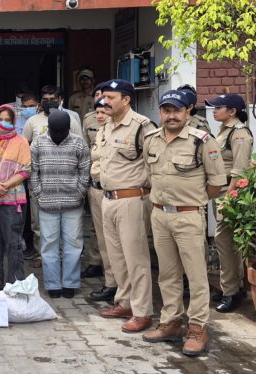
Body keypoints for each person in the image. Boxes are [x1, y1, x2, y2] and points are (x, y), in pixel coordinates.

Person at [142, 90, 227, 356]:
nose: (171, 116)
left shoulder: (202, 141)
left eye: (176, 110)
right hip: (159, 215)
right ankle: (170, 322)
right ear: (160, 113)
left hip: (189, 216)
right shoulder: (151, 140)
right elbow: (149, 174)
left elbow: (216, 183)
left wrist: (194, 201)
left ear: (187, 111)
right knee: (167, 274)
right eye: (166, 110)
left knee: (196, 275)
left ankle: (198, 328)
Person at [96, 79, 155, 334]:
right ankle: (125, 302)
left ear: (126, 99)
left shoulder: (142, 126)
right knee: (117, 257)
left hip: (131, 199)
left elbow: (154, 164)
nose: (105, 102)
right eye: (104, 97)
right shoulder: (107, 126)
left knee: (136, 258)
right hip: (108, 198)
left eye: (110, 97)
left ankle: (142, 312)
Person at [29, 110, 90, 298]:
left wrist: (79, 192)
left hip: (73, 204)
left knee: (74, 245)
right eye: (54, 131)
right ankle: (53, 284)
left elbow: (85, 171)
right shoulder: (38, 143)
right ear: (48, 127)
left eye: (61, 131)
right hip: (46, 204)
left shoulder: (79, 143)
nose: (57, 134)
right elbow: (33, 172)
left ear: (68, 129)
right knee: (49, 245)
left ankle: (70, 283)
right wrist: (39, 193)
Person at [22, 85, 83, 260]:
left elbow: (81, 149)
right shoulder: (32, 121)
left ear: (61, 100)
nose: (49, 102)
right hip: (40, 180)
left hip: (67, 180)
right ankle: (41, 256)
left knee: (67, 222)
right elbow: (25, 148)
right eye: (46, 99)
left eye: (53, 99)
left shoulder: (71, 119)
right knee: (38, 221)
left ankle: (65, 256)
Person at [205, 93, 253, 312]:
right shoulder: (224, 130)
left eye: (218, 107)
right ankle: (234, 287)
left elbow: (239, 170)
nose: (214, 111)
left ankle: (231, 292)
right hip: (220, 191)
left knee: (224, 241)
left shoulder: (239, 133)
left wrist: (229, 198)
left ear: (232, 111)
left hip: (229, 193)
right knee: (229, 242)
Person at [0, 105, 31, 295]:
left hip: (13, 200)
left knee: (14, 243)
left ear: (14, 122)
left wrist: (4, 186)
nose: (4, 123)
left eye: (8, 120)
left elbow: (26, 169)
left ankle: (15, 283)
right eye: (1, 119)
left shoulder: (21, 141)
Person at [86, 98, 118, 304]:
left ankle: (123, 287)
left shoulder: (125, 132)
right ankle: (111, 283)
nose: (99, 116)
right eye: (97, 112)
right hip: (97, 190)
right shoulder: (99, 133)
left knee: (119, 243)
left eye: (103, 112)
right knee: (103, 241)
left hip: (116, 193)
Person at [80, 87, 105, 280]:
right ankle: (96, 262)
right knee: (96, 227)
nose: (101, 98)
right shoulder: (89, 119)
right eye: (97, 95)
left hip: (119, 185)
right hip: (95, 181)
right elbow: (84, 149)